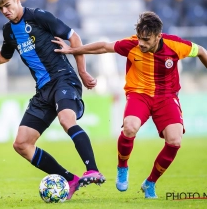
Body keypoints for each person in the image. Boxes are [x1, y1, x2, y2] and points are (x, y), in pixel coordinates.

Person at [0, 0, 105, 200]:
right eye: (1, 8)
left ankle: (93, 170)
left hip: (63, 79)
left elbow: (74, 37)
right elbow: (3, 56)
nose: (5, 11)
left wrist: (83, 71)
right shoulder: (9, 31)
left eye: (8, 5)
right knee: (21, 144)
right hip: (43, 90)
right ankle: (70, 179)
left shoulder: (39, 16)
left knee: (67, 120)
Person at [52, 11, 207, 199]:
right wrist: (73, 50)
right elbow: (103, 47)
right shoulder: (132, 45)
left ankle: (150, 183)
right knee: (130, 127)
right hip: (139, 94)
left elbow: (201, 51)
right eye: (140, 38)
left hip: (166, 97)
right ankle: (122, 166)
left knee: (174, 141)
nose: (141, 43)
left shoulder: (176, 46)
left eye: (146, 40)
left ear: (159, 36)